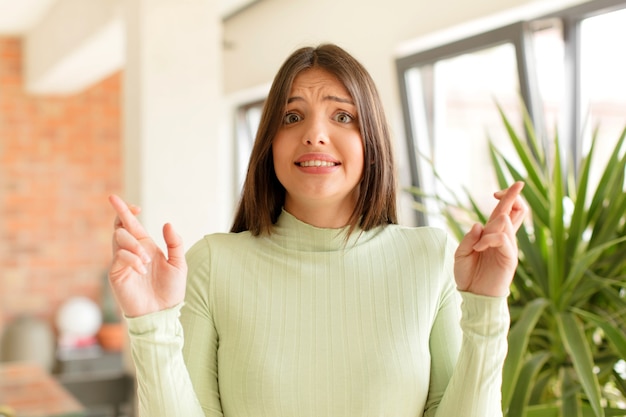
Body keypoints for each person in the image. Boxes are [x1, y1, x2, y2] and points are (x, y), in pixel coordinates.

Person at [108, 44, 527, 417]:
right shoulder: (214, 264)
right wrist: (151, 324)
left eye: (342, 116)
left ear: (372, 140)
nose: (315, 135)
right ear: (270, 142)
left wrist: (486, 306)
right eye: (292, 117)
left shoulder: (429, 257)